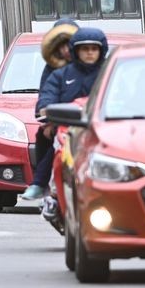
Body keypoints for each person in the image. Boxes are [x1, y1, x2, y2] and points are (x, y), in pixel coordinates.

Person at [29, 27, 110, 224]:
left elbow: (125, 98)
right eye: (85, 49)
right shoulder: (60, 75)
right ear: (75, 51)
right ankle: (51, 192)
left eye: (94, 48)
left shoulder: (109, 73)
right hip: (68, 130)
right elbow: (45, 102)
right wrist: (48, 115)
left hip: (103, 132)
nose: (90, 52)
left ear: (102, 50)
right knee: (57, 147)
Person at [17, 18, 78, 202]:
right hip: (63, 124)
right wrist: (49, 119)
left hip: (90, 124)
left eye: (70, 45)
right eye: (61, 45)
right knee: (48, 138)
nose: (66, 50)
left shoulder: (96, 68)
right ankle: (41, 184)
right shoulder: (53, 70)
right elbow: (46, 95)